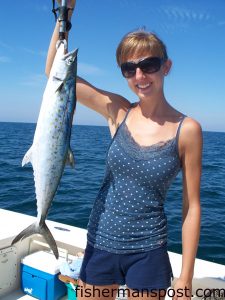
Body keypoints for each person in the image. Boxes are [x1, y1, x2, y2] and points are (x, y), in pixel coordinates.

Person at [46, 1, 202, 299]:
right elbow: (55, 73)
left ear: (166, 67)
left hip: (149, 251)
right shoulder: (118, 111)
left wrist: (186, 276)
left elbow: (191, 206)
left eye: (149, 65)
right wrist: (65, 16)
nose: (140, 76)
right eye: (129, 69)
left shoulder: (188, 130)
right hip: (100, 243)